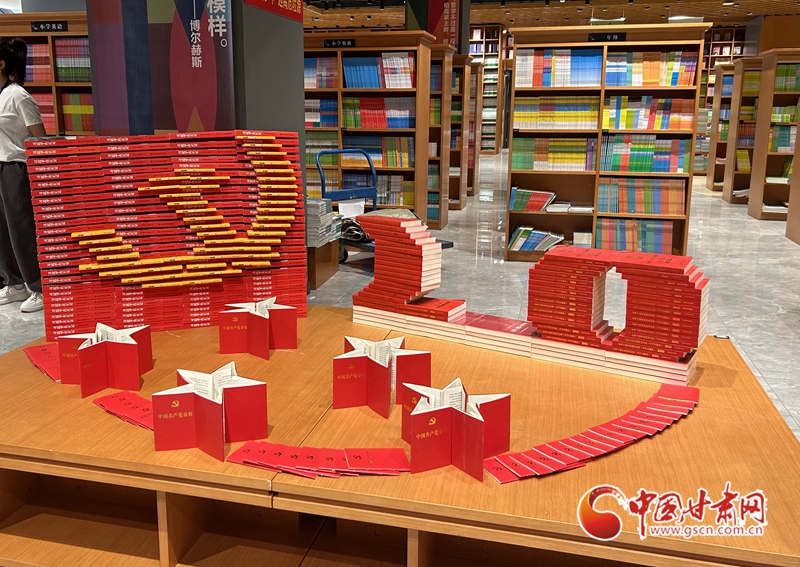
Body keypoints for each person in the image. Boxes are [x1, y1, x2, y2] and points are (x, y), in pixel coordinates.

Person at [0, 38, 46, 312]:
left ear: (1, 65)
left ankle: (39, 287)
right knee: (2, 231)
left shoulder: (18, 95)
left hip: (16, 168)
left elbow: (40, 138)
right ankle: (14, 283)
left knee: (21, 230)